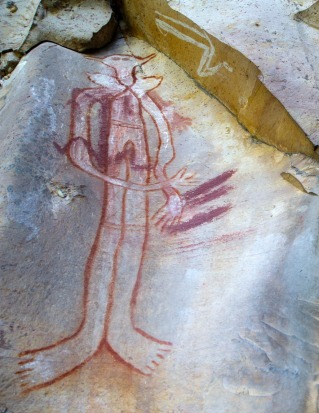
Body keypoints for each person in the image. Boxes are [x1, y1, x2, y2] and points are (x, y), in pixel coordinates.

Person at [17, 53, 196, 391]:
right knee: (110, 243)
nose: (128, 78)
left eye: (133, 71)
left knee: (131, 244)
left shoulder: (144, 102)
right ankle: (87, 337)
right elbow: (78, 151)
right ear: (106, 72)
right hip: (114, 184)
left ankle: (121, 331)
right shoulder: (89, 99)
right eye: (120, 71)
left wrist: (170, 191)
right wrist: (127, 182)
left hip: (137, 188)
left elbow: (165, 148)